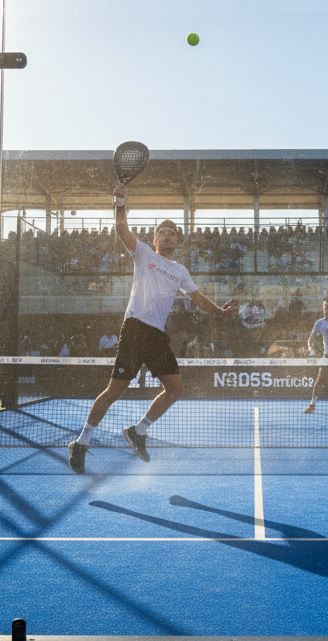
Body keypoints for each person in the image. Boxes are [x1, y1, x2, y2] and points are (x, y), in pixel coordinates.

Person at [68, 184, 238, 473]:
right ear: (156, 238)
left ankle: (139, 430)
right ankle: (81, 442)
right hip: (134, 329)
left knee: (175, 389)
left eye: (174, 234)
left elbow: (198, 299)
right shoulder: (144, 254)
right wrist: (119, 203)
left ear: (177, 242)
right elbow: (122, 230)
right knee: (114, 391)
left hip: (157, 335)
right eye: (165, 233)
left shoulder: (180, 271)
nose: (169, 236)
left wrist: (220, 312)